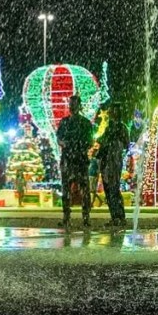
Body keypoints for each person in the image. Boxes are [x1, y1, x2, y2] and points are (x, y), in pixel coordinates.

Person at [57, 95, 94, 230]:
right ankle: (67, 217)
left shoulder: (85, 123)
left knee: (84, 190)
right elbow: (59, 138)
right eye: (70, 104)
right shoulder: (64, 122)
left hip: (79, 160)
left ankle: (86, 217)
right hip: (68, 159)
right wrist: (65, 144)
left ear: (79, 106)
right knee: (66, 190)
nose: (71, 107)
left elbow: (90, 141)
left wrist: (78, 147)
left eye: (74, 104)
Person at [97, 103, 130, 227]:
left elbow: (126, 143)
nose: (110, 114)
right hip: (107, 161)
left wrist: (112, 144)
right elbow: (103, 140)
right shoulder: (110, 127)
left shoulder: (120, 127)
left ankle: (119, 216)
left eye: (112, 111)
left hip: (114, 160)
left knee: (113, 189)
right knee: (109, 189)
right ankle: (115, 216)